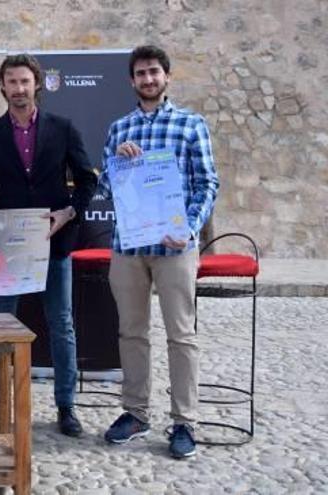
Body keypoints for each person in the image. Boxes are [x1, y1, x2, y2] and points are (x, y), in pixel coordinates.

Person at [0, 54, 97, 436]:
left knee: (61, 325)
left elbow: (88, 182)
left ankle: (66, 407)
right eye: (12, 82)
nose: (19, 89)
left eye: (25, 82)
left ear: (36, 84)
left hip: (53, 245)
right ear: (2, 86)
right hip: (5, 250)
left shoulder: (63, 128)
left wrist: (68, 214)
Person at [100, 45, 219, 459]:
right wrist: (117, 162)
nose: (148, 79)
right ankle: (135, 413)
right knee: (131, 332)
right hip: (128, 246)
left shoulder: (191, 125)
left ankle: (184, 421)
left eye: (154, 72)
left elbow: (207, 183)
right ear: (132, 81)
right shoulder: (119, 130)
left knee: (181, 335)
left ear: (167, 76)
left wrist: (187, 227)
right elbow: (103, 188)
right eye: (141, 74)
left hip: (175, 247)